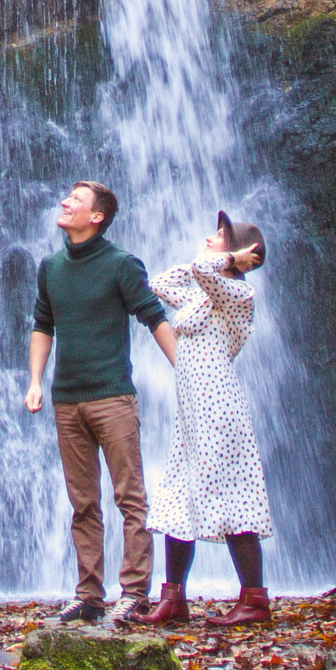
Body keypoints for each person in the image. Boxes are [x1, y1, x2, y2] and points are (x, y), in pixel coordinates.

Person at [26, 180, 180, 625]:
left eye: (75, 199)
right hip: (66, 400)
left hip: (113, 396)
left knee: (130, 497)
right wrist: (35, 380)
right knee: (83, 502)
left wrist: (186, 372)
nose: (65, 201)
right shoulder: (50, 267)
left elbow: (154, 317)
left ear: (96, 216)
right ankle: (89, 594)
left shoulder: (121, 264)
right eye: (67, 196)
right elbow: (42, 325)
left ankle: (134, 593)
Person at [138, 212, 274, 627]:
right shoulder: (201, 296)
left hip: (220, 413)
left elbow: (202, 269)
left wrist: (231, 261)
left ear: (238, 254)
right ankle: (173, 596)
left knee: (232, 498)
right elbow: (159, 284)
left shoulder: (236, 295)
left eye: (218, 236)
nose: (207, 238)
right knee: (179, 497)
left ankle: (254, 599)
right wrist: (219, 256)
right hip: (192, 414)